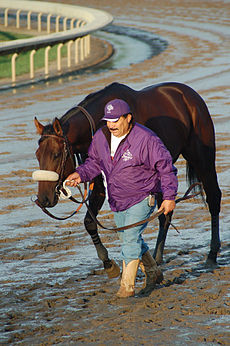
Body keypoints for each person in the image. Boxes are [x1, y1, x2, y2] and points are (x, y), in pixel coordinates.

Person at [66, 99, 178, 298]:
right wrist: (80, 174)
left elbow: (166, 167)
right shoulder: (101, 137)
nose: (111, 125)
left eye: (115, 120)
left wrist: (169, 197)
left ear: (128, 118)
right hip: (117, 200)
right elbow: (94, 163)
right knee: (129, 238)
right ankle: (153, 273)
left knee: (130, 240)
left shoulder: (146, 139)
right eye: (107, 120)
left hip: (143, 197)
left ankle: (127, 287)